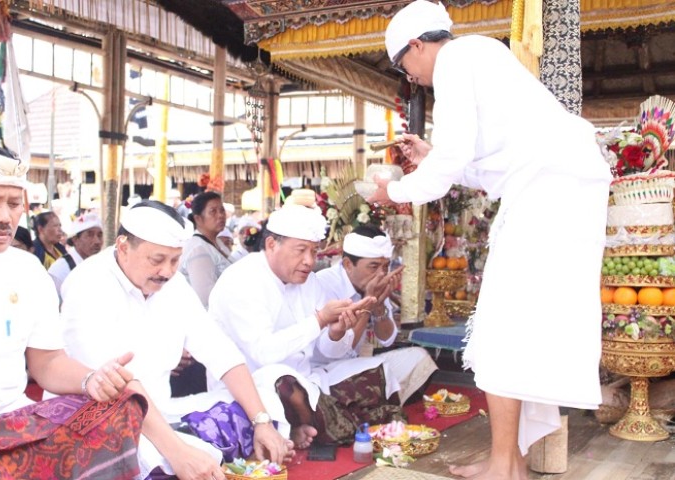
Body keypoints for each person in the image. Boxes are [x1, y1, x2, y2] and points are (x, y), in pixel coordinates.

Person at [373, 2, 612, 478]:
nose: (412, 78)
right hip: (554, 192)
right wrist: (435, 153)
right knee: (517, 327)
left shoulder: (459, 59)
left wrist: (394, 190)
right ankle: (510, 459)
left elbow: (454, 160)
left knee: (504, 327)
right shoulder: (481, 58)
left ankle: (505, 465)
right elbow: (486, 167)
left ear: (418, 45)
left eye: (405, 66)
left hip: (550, 194)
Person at [60, 200, 293, 480]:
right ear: (123, 247)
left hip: (165, 412)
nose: (168, 271)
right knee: (142, 455)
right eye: (157, 260)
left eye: (175, 260)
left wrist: (262, 421)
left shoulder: (173, 285)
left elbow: (220, 352)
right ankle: (198, 456)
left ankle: (207, 452)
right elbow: (116, 387)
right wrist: (178, 452)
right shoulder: (87, 284)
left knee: (264, 398)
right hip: (107, 420)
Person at [0, 143, 146, 478]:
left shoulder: (27, 269)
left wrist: (91, 380)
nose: (5, 217)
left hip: (12, 423)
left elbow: (47, 363)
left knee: (119, 408)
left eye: (14, 204)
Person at [208, 204, 403, 448]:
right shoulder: (242, 280)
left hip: (307, 379)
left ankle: (306, 426)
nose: (309, 261)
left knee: (379, 371)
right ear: (271, 245)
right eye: (301, 251)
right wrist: (320, 320)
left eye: (314, 251)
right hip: (256, 388)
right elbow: (263, 352)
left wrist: (336, 332)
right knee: (283, 380)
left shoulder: (309, 282)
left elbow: (326, 353)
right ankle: (314, 425)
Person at [316, 225, 437, 404]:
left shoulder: (374, 284)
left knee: (419, 357)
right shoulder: (325, 284)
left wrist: (379, 307)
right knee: (376, 373)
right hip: (323, 370)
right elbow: (339, 352)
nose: (381, 274)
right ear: (348, 265)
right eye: (373, 267)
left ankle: (375, 404)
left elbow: (387, 339)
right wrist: (368, 301)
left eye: (386, 266)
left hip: (356, 364)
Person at [179, 191, 232, 308]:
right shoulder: (198, 249)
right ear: (198, 219)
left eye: (222, 210)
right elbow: (207, 298)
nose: (220, 215)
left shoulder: (218, 242)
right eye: (213, 211)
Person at [48, 212, 103, 296]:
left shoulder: (102, 265)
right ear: (75, 239)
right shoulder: (60, 270)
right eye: (90, 235)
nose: (97, 241)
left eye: (100, 235)